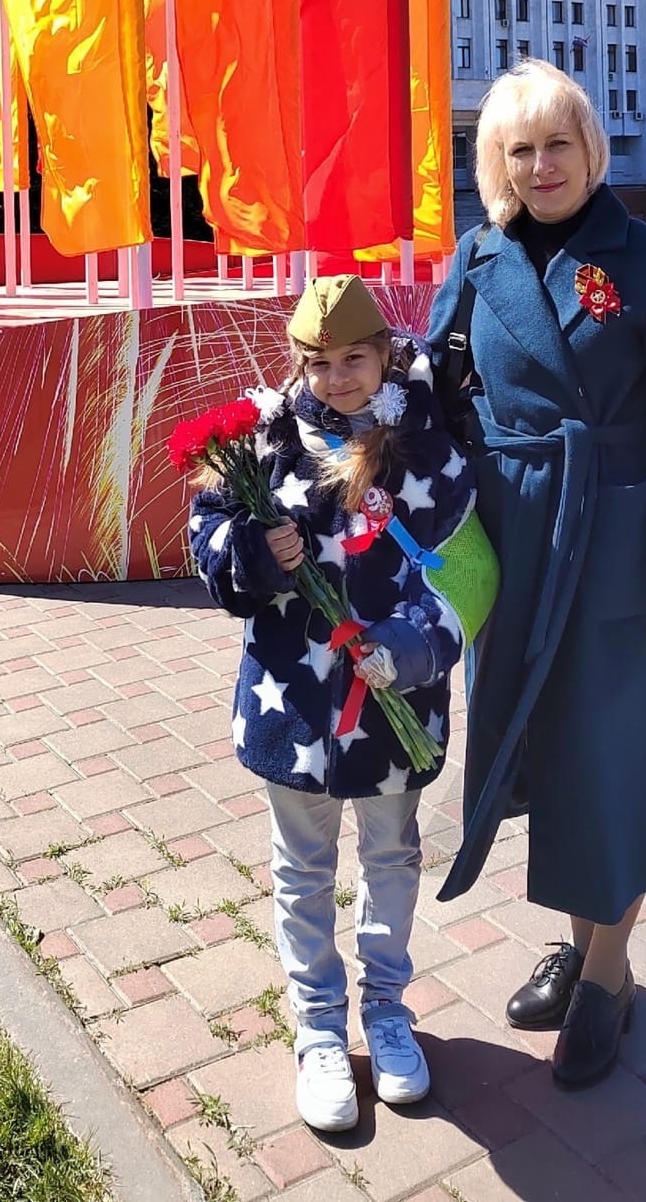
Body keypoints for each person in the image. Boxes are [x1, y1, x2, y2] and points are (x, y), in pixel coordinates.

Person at [428, 59, 646, 1091]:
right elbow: (428, 399)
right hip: (511, 546)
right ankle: (578, 939)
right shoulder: (476, 257)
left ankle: (606, 973)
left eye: (559, 144)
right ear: (496, 163)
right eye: (521, 149)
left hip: (618, 548)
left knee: (616, 760)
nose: (542, 165)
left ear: (593, 151)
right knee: (545, 752)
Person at [190, 275, 495, 1133]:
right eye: (319, 363)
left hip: (396, 709)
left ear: (387, 354)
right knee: (303, 869)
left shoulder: (427, 451)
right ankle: (320, 1027)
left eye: (355, 358)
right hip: (292, 708)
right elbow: (204, 534)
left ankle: (387, 1011)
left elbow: (469, 568)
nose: (337, 378)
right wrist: (251, 552)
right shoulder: (264, 442)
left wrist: (411, 645)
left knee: (392, 856)